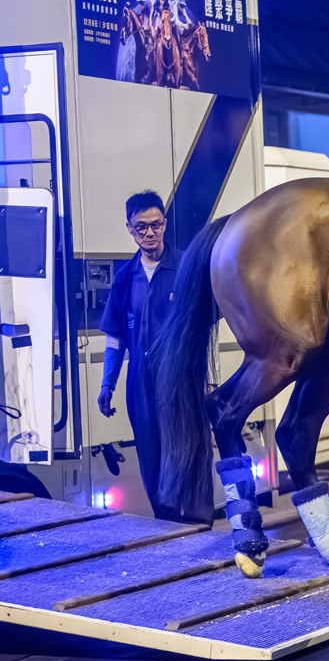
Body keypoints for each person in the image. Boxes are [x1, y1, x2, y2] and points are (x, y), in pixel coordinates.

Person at [98, 191, 210, 523]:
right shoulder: (124, 278)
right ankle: (168, 527)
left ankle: (201, 526)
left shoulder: (186, 268)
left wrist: (208, 380)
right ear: (130, 229)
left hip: (183, 378)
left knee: (191, 449)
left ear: (164, 224)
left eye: (156, 225)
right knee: (152, 456)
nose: (150, 233)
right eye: (142, 227)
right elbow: (115, 338)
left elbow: (204, 330)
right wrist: (107, 385)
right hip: (141, 382)